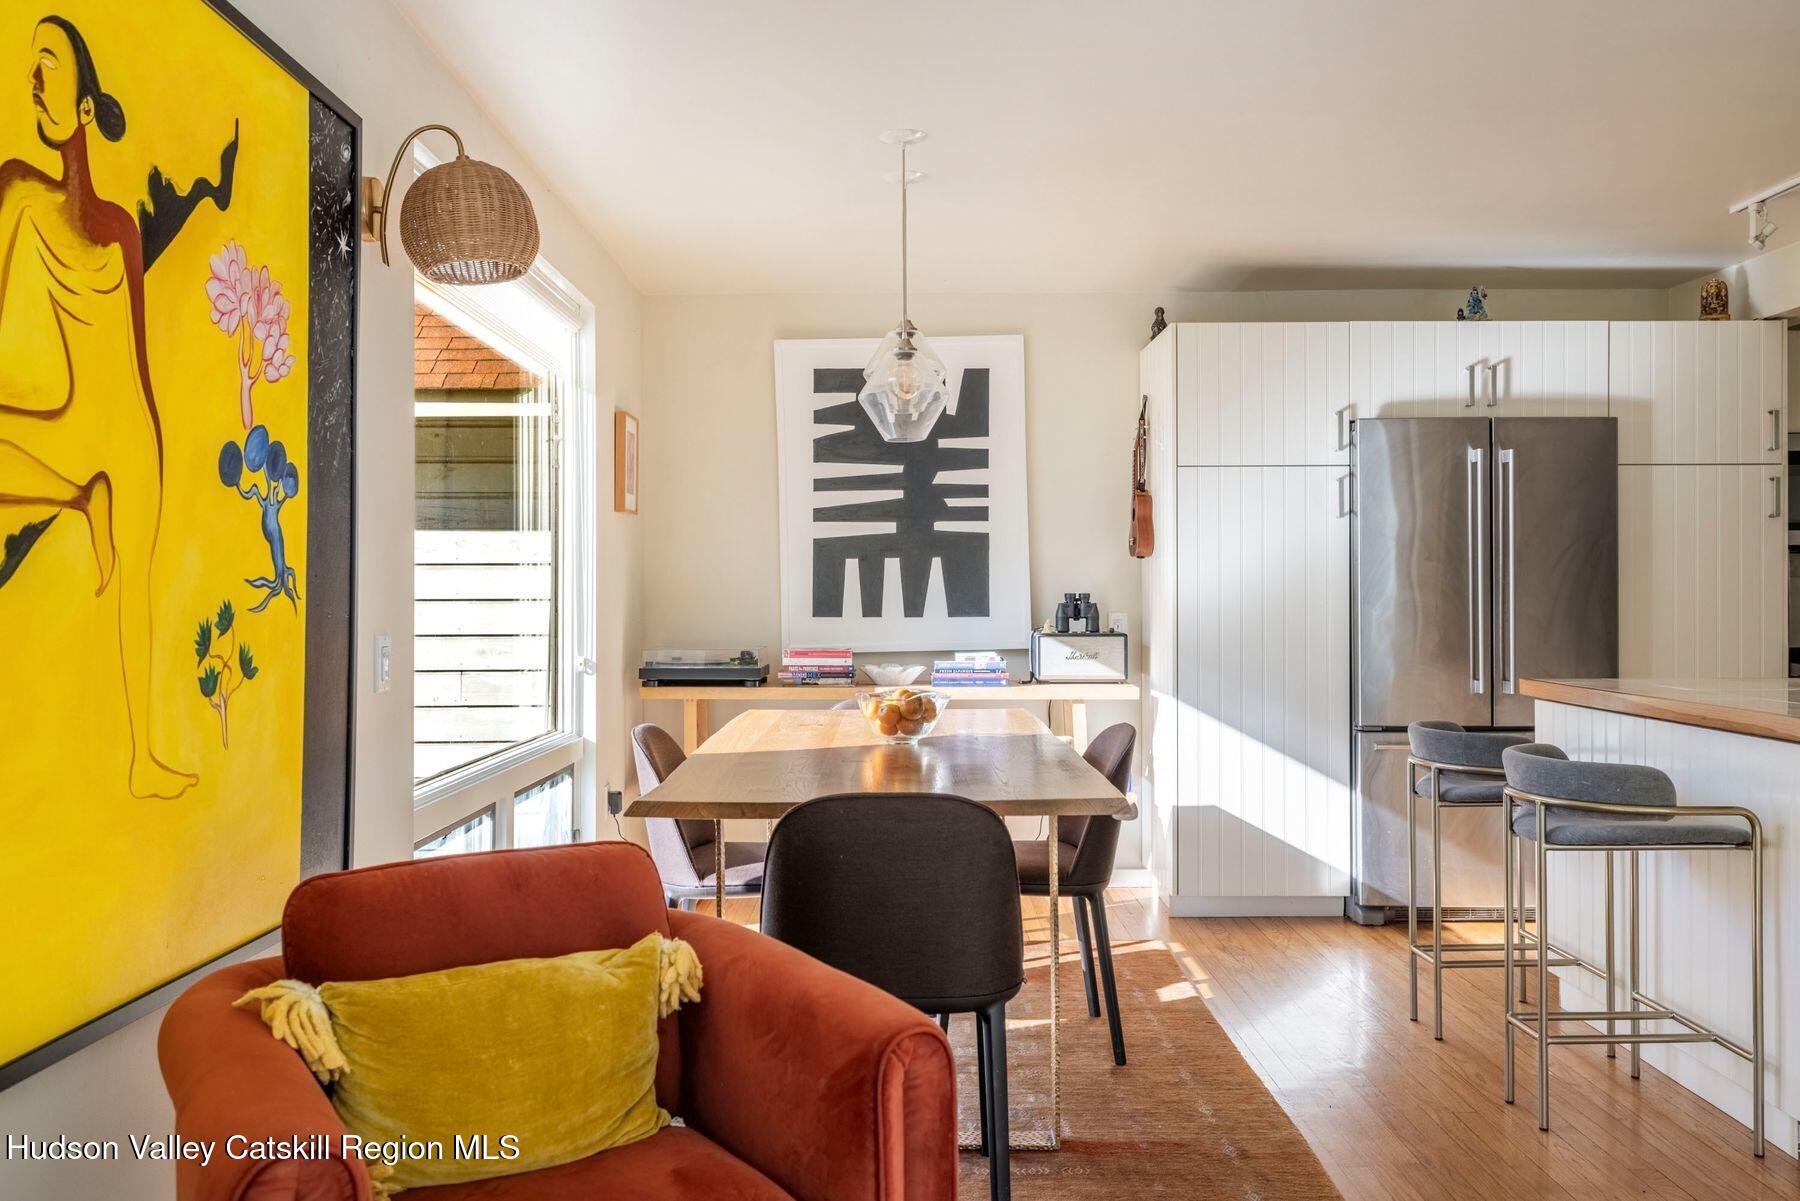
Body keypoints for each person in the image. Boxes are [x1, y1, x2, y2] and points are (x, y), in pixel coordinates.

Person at [0, 17, 202, 798]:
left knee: (137, 594)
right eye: (30, 68)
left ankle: (142, 757)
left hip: (131, 430)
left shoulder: (119, 228)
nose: (34, 79)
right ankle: (79, 496)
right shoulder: (19, 191)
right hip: (69, 421)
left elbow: (142, 360)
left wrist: (150, 451)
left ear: (85, 106)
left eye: (48, 65)